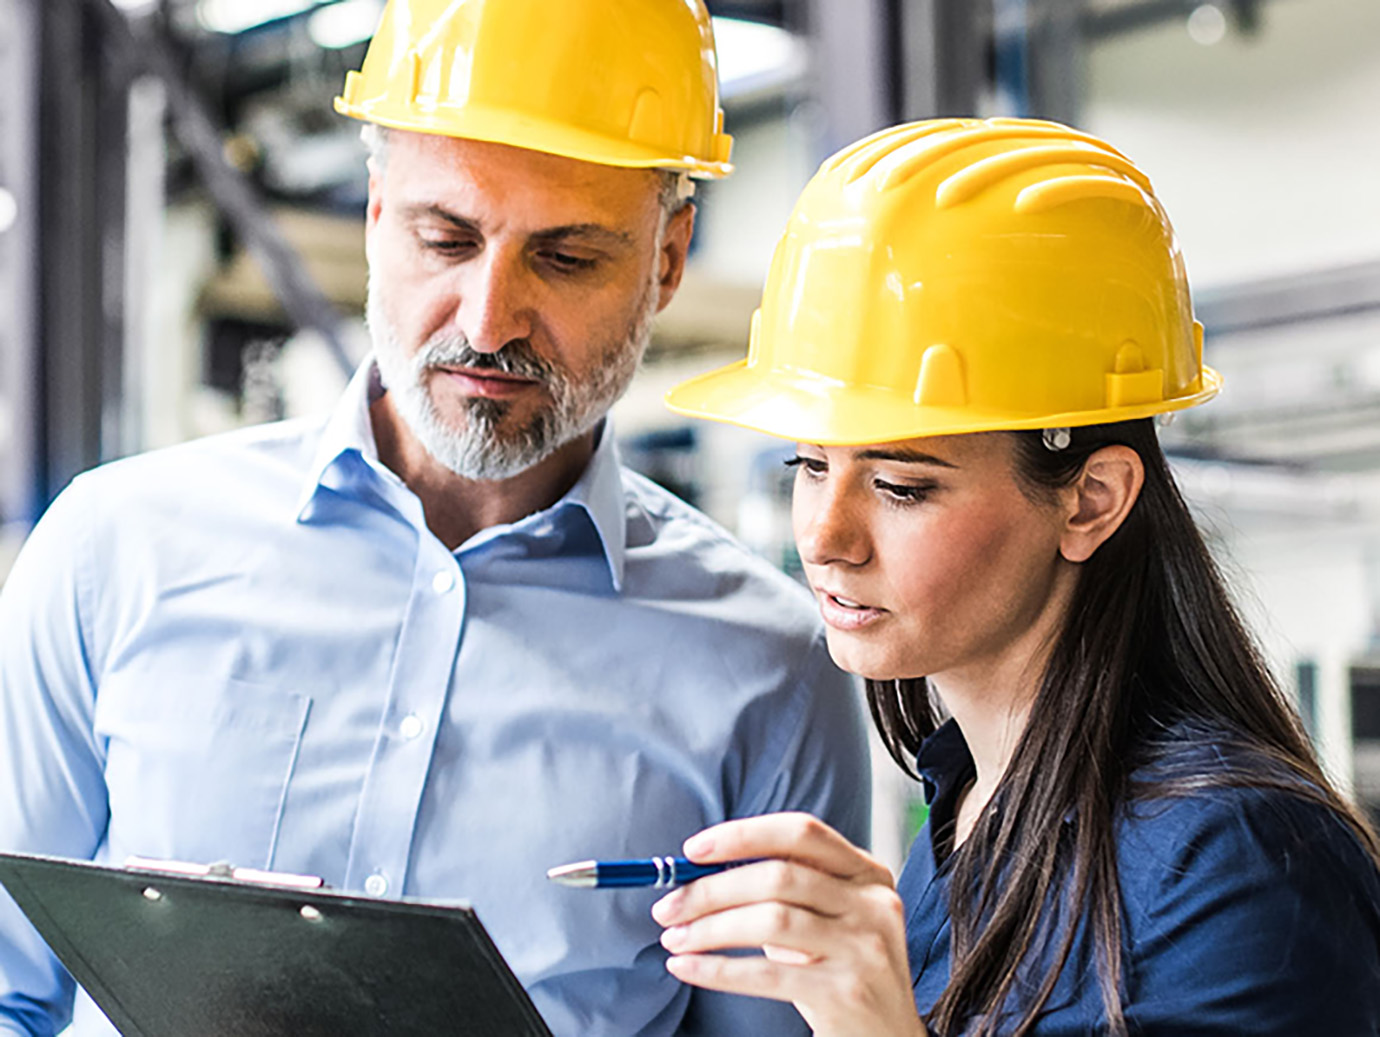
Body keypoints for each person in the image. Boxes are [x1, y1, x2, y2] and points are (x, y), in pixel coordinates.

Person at [0, 2, 871, 1035]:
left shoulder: (771, 668)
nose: (488, 319)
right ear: (376, 211)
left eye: (567, 256)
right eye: (446, 236)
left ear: (669, 258)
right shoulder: (112, 553)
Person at [655, 117, 1380, 1035]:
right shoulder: (968, 811)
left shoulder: (1236, 863)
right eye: (807, 465)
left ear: (1090, 501)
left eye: (900, 485)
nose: (827, 537)